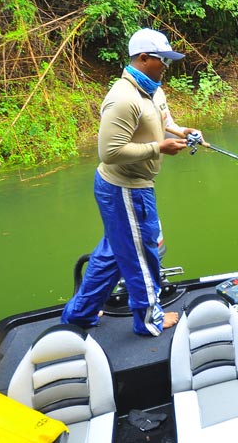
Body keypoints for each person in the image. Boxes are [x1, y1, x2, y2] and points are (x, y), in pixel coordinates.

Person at [62, 28, 202, 336]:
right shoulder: (123, 99)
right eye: (161, 60)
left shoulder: (154, 90)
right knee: (142, 253)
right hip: (124, 189)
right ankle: (148, 320)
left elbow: (165, 122)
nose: (166, 66)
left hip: (135, 186)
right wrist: (159, 147)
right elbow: (109, 152)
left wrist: (182, 132)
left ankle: (80, 314)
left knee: (114, 252)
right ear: (142, 58)